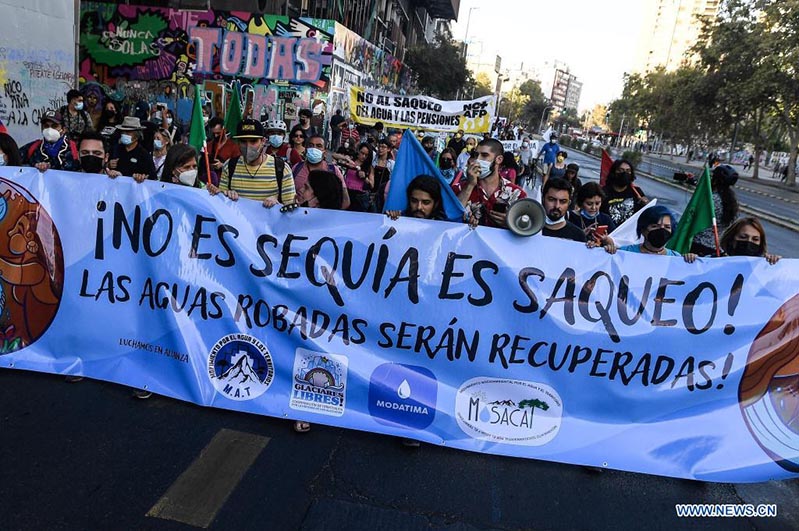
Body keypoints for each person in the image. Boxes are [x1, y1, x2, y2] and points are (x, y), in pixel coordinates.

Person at [212, 118, 295, 207]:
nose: (248, 146)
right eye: (243, 141)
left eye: (253, 141)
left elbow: (291, 208)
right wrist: (227, 194)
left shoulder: (281, 168)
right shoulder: (229, 166)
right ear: (238, 143)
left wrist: (277, 203)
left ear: (263, 141)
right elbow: (220, 204)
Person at [452, 138, 526, 229]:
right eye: (476, 155)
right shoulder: (459, 188)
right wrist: (470, 185)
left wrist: (512, 224)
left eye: (484, 155)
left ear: (499, 159)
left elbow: (525, 229)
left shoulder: (516, 194)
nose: (478, 160)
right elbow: (451, 216)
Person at [290, 134, 350, 210]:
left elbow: (346, 201)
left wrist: (330, 216)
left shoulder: (333, 171)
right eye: (311, 145)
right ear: (306, 149)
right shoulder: (296, 168)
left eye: (319, 146)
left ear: (324, 152)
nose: (314, 149)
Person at [691, 164, 740, 256]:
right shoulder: (732, 203)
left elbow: (694, 219)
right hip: (715, 247)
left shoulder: (711, 200)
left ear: (715, 180)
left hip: (697, 245)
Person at [618, 205, 697, 262]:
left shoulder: (676, 259)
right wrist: (609, 251)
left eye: (667, 227)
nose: (661, 230)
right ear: (642, 230)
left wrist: (691, 261)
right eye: (655, 226)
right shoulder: (624, 253)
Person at [107, 117, 157, 182]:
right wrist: (108, 165)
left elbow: (153, 178)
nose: (124, 134)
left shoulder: (144, 155)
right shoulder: (114, 149)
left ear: (137, 136)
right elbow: (104, 168)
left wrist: (141, 177)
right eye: (123, 132)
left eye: (128, 132)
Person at [601, 159, 648, 226]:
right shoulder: (603, 192)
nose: (624, 173)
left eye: (628, 171)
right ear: (614, 172)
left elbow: (645, 215)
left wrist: (646, 205)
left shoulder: (637, 192)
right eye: (621, 170)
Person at [540, 178, 587, 242]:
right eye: (551, 199)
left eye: (563, 201)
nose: (557, 206)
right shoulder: (528, 231)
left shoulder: (578, 236)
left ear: (569, 203)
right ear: (543, 199)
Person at [343, 143, 375, 212]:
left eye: (366, 155)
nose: (363, 156)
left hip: (360, 197)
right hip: (347, 192)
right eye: (362, 153)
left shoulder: (369, 167)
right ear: (358, 151)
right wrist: (346, 159)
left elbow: (372, 185)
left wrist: (365, 178)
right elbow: (334, 156)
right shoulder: (351, 161)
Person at [372, 138, 394, 211]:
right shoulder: (374, 161)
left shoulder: (391, 164)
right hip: (372, 192)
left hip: (384, 193)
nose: (380, 149)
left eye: (383, 147)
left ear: (388, 149)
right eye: (379, 147)